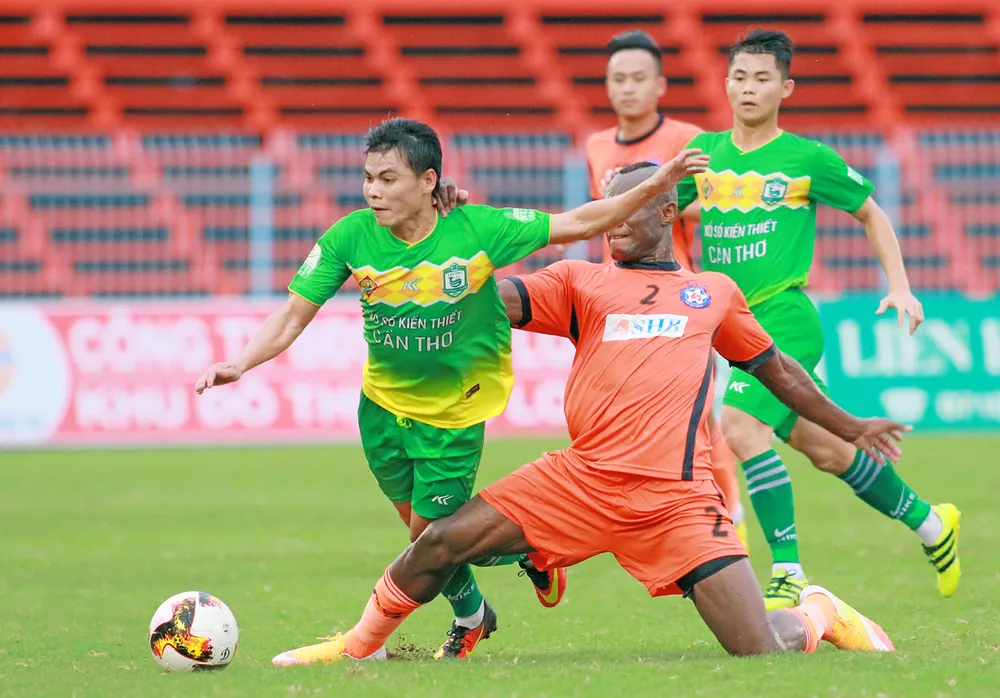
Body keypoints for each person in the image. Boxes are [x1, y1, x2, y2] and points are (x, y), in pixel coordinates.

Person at [270, 162, 900, 667]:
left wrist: (851, 427)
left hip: (675, 501)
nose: (614, 219)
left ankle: (818, 610)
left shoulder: (712, 294)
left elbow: (780, 370)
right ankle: (355, 647)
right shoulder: (580, 281)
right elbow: (489, 301)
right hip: (582, 480)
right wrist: (450, 242)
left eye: (630, 203)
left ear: (665, 210)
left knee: (758, 647)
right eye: (609, 204)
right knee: (437, 542)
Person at [194, 117, 710, 659]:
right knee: (423, 540)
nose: (374, 190)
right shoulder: (350, 236)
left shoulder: (477, 229)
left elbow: (582, 221)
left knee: (433, 538)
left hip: (453, 419)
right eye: (368, 177)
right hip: (381, 410)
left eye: (389, 179)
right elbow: (292, 317)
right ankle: (476, 612)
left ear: (427, 181)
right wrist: (241, 363)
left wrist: (657, 182)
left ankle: (494, 575)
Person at [675, 29, 959, 609]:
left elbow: (871, 213)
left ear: (786, 87)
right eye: (739, 77)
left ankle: (788, 572)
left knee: (741, 428)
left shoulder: (808, 159)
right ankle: (933, 525)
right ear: (725, 83)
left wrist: (900, 287)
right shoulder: (703, 157)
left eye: (762, 78)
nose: (749, 88)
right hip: (733, 327)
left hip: (787, 318)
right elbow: (651, 207)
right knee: (829, 450)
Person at [584, 29, 747, 545]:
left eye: (638, 78)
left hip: (679, 299)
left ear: (660, 85)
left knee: (700, 419)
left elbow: (714, 207)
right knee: (609, 415)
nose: (627, 88)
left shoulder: (689, 140)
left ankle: (730, 523)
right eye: (618, 79)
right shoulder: (596, 144)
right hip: (615, 300)